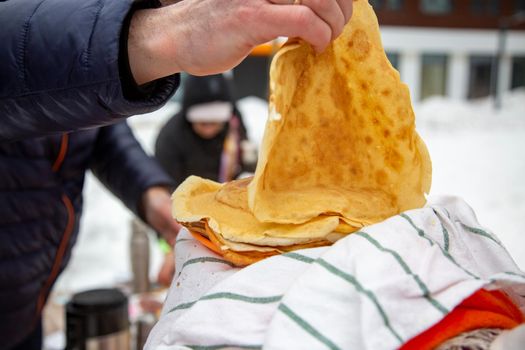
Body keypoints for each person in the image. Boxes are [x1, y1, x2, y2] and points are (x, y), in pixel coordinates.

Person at [0, 0, 353, 348]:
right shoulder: (172, 137)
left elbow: (98, 135)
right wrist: (162, 32)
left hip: (28, 302)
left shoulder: (232, 129)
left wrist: (159, 204)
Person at [155, 74, 254, 188]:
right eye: (202, 122)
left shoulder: (234, 126)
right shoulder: (171, 137)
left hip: (227, 194)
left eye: (215, 122)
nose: (209, 128)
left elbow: (246, 155)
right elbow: (166, 182)